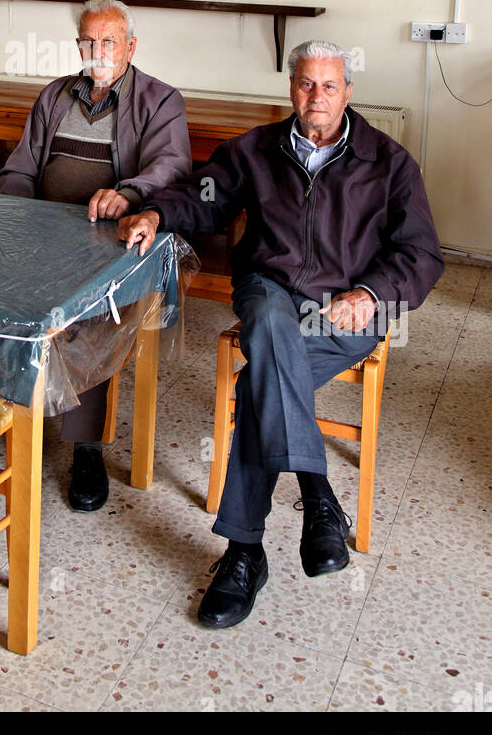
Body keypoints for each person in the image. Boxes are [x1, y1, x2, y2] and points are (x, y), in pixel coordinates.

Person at [119, 40, 444, 627]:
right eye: (305, 84)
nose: (315, 97)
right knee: (268, 322)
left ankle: (245, 553)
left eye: (328, 85)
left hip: (344, 312)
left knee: (256, 385)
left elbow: (422, 255)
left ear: (347, 91)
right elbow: (204, 196)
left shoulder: (390, 164)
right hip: (269, 292)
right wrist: (156, 214)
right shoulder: (254, 152)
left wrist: (368, 294)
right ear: (290, 88)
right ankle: (318, 497)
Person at [0, 0, 191, 511]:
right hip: (45, 234)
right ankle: (1, 413)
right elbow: (21, 167)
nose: (97, 50)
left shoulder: (160, 100)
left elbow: (170, 166)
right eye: (89, 41)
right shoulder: (55, 95)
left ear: (130, 46)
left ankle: (85, 447)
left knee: (93, 316)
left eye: (109, 41)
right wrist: (15, 218)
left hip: (114, 240)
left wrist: (126, 193)